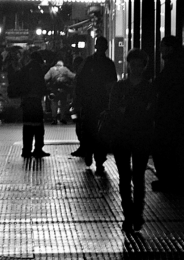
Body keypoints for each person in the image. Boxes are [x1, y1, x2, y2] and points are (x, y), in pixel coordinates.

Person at [107, 49, 157, 232]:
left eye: (139, 65)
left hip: (136, 136)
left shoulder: (144, 88)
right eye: (133, 64)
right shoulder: (126, 87)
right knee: (127, 177)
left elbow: (148, 111)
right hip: (127, 135)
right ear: (128, 65)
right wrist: (136, 111)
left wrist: (126, 110)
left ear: (144, 66)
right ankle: (131, 215)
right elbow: (115, 110)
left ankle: (136, 214)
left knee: (136, 177)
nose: (135, 68)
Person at [152, 35, 184, 192]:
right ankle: (170, 180)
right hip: (177, 115)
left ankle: (168, 180)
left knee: (164, 147)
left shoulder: (173, 66)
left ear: (170, 48)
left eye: (163, 46)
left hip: (170, 115)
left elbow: (162, 85)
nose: (160, 49)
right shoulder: (182, 65)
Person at [74, 36, 118, 174]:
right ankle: (97, 159)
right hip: (97, 102)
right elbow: (112, 85)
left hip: (93, 102)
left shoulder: (89, 62)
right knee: (98, 132)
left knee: (92, 131)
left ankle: (93, 156)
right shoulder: (107, 64)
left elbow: (79, 81)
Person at [16, 50, 50, 159]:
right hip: (35, 100)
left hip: (26, 101)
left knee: (27, 126)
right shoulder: (37, 68)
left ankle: (26, 149)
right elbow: (41, 84)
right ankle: (38, 149)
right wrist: (46, 92)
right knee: (38, 125)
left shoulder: (25, 68)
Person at [44, 60, 77, 124]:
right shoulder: (65, 69)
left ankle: (54, 118)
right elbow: (73, 76)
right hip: (63, 89)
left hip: (54, 89)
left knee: (54, 103)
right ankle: (62, 118)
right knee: (63, 104)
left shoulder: (51, 69)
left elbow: (45, 78)